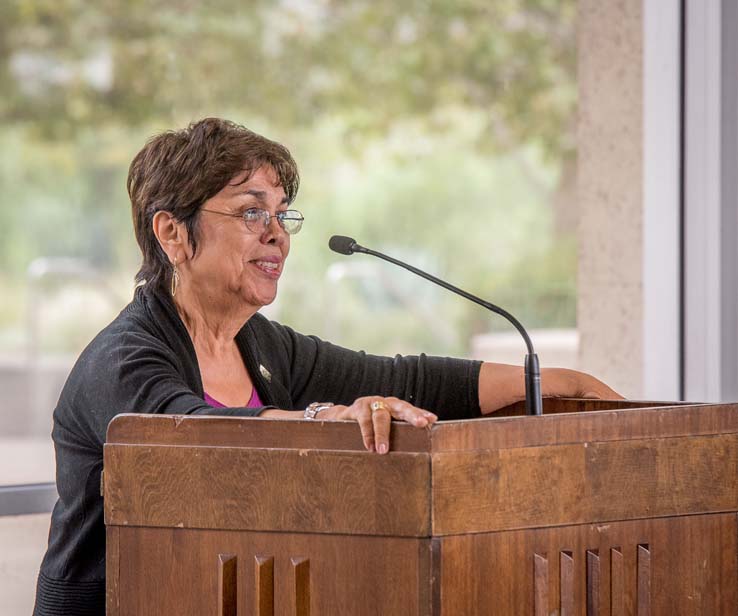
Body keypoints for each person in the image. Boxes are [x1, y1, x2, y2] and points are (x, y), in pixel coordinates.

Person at [33, 118, 620, 614]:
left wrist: (549, 380)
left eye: (283, 217)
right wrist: (328, 420)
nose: (278, 237)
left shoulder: (260, 346)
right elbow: (201, 445)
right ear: (172, 234)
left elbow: (405, 380)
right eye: (250, 214)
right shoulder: (125, 358)